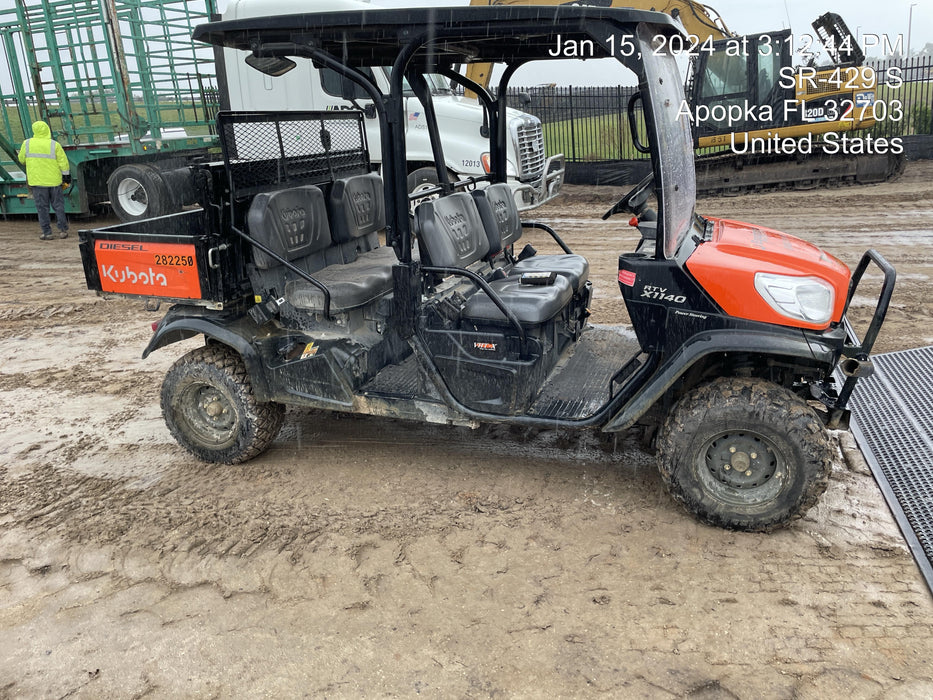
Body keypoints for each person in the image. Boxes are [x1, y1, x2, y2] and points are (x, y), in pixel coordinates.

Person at [18, 120, 71, 241]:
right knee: (58, 206)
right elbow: (63, 162)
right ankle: (63, 230)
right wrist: (66, 176)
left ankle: (47, 233)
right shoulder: (54, 144)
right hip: (54, 181)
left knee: (42, 208)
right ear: (47, 130)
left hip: (37, 182)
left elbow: (22, 160)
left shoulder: (27, 144)